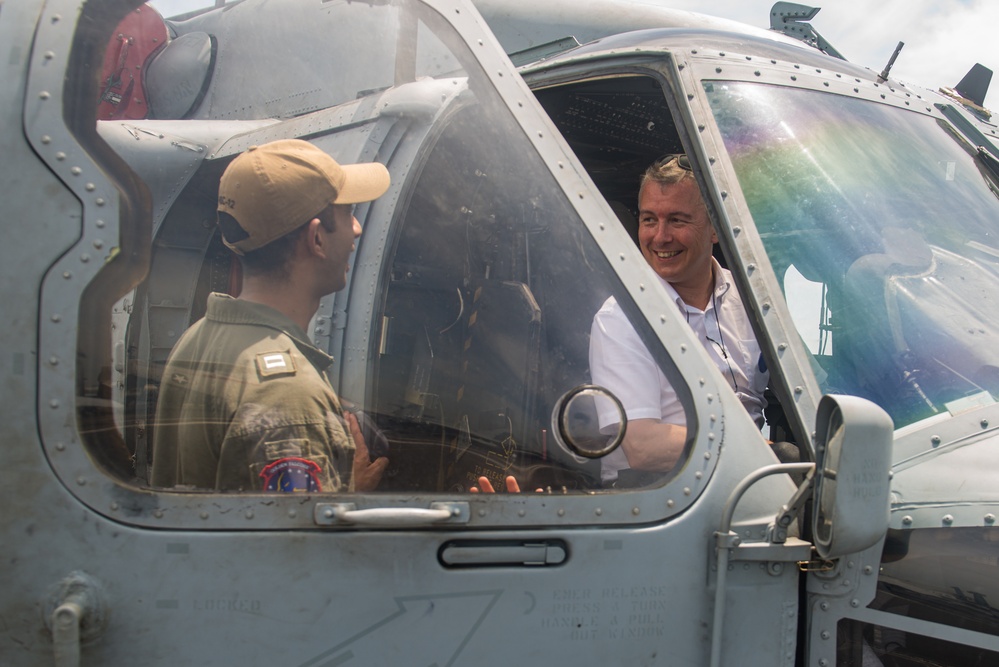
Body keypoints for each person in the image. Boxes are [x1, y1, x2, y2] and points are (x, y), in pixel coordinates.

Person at [151, 139, 390, 492]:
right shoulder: (288, 397)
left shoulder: (200, 337)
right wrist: (348, 495)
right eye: (346, 212)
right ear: (317, 239)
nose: (356, 228)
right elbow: (297, 545)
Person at [589, 155, 769, 485]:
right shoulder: (622, 318)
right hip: (658, 496)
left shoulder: (753, 301)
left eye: (677, 220)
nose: (660, 237)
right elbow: (643, 447)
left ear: (715, 227)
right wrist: (764, 453)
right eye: (648, 220)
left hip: (749, 482)